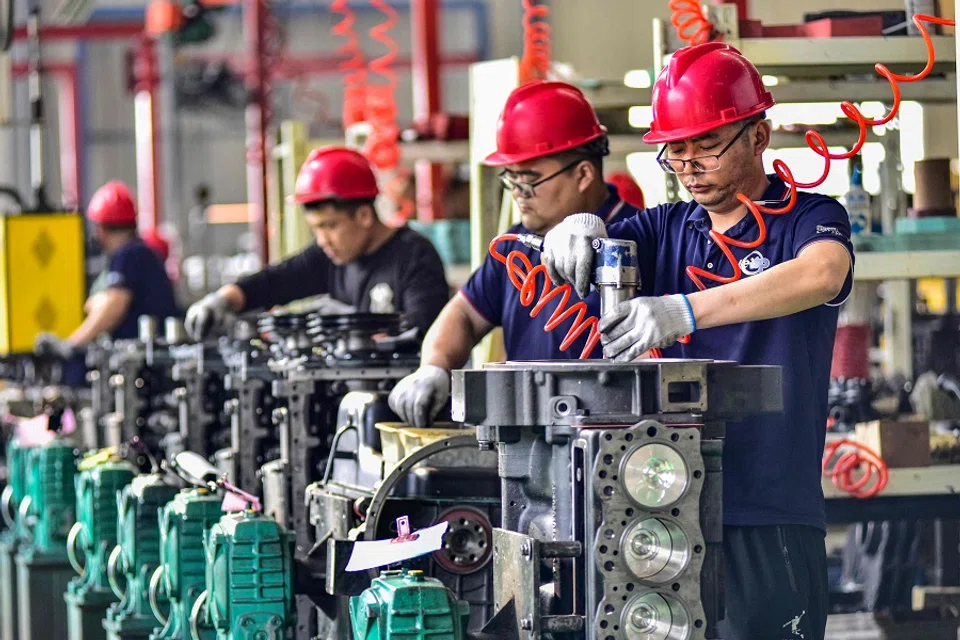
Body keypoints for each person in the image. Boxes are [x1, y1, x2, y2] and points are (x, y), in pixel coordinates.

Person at [540, 42, 853, 640]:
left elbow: (821, 274)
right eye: (675, 151)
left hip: (769, 511)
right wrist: (578, 228)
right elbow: (606, 241)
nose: (689, 166)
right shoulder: (665, 227)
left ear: (759, 137)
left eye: (706, 146)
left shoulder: (810, 218)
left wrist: (684, 310)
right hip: (666, 509)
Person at [389, 81, 640, 428]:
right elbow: (463, 313)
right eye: (512, 178)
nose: (519, 194)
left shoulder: (638, 237)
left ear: (583, 174)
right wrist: (433, 366)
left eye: (530, 179)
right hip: (525, 440)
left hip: (617, 439)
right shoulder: (515, 246)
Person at [184, 146, 449, 340]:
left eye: (330, 226)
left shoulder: (414, 257)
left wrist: (353, 326)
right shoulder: (330, 257)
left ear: (364, 215)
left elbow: (426, 337)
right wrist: (221, 301)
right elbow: (275, 281)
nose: (323, 240)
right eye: (316, 229)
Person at [34, 181, 180, 359]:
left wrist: (71, 344)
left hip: (143, 362)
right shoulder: (141, 253)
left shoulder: (129, 255)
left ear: (101, 228)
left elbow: (115, 305)